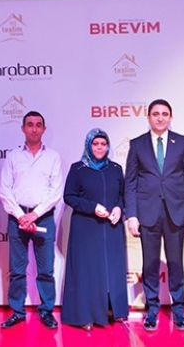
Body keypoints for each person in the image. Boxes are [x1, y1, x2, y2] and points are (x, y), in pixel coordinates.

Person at [125, 99, 184, 331]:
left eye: (164, 114)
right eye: (155, 114)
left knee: (176, 263)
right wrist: (131, 215)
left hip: (176, 213)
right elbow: (130, 182)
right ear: (148, 117)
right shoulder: (137, 144)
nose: (160, 118)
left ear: (171, 117)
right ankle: (152, 310)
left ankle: (179, 310)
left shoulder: (182, 142)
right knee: (150, 264)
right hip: (147, 213)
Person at [0, 111, 63, 329]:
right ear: (23, 129)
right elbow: (5, 189)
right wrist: (21, 216)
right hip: (17, 218)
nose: (34, 129)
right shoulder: (13, 156)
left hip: (43, 218)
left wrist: (34, 215)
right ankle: (17, 311)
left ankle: (46, 311)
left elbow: (55, 191)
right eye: (30, 125)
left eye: (38, 125)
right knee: (17, 270)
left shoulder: (53, 157)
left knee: (46, 270)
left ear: (44, 129)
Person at [61, 128, 129, 331]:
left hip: (112, 227)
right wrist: (92, 207)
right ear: (89, 145)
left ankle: (114, 310)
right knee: (87, 271)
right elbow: (69, 196)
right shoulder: (78, 169)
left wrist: (119, 208)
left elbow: (123, 195)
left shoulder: (115, 169)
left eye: (103, 144)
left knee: (112, 269)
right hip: (86, 227)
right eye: (95, 144)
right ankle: (85, 315)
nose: (100, 148)